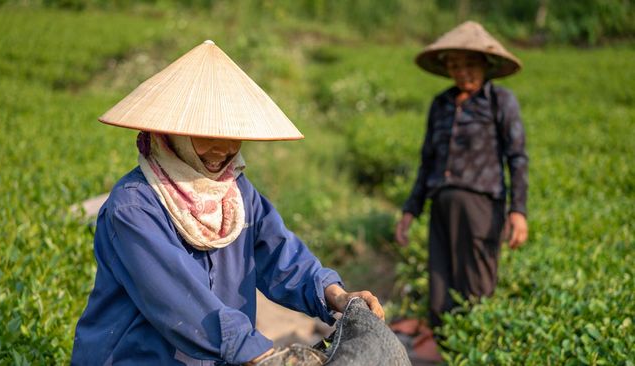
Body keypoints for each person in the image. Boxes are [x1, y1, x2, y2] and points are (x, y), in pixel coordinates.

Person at [72, 40, 384, 366]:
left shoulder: (237, 194)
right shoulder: (134, 207)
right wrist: (261, 355)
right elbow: (180, 301)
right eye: (207, 135)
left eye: (231, 135)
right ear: (172, 133)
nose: (222, 150)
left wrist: (336, 295)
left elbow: (281, 255)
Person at [395, 21, 529, 330]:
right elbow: (427, 161)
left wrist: (518, 211)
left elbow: (517, 157)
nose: (462, 71)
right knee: (440, 283)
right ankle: (445, 347)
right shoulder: (441, 104)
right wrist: (410, 211)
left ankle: (475, 346)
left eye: (469, 64)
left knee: (476, 285)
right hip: (441, 206)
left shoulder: (499, 102)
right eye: (454, 65)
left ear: (486, 64)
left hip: (481, 205)